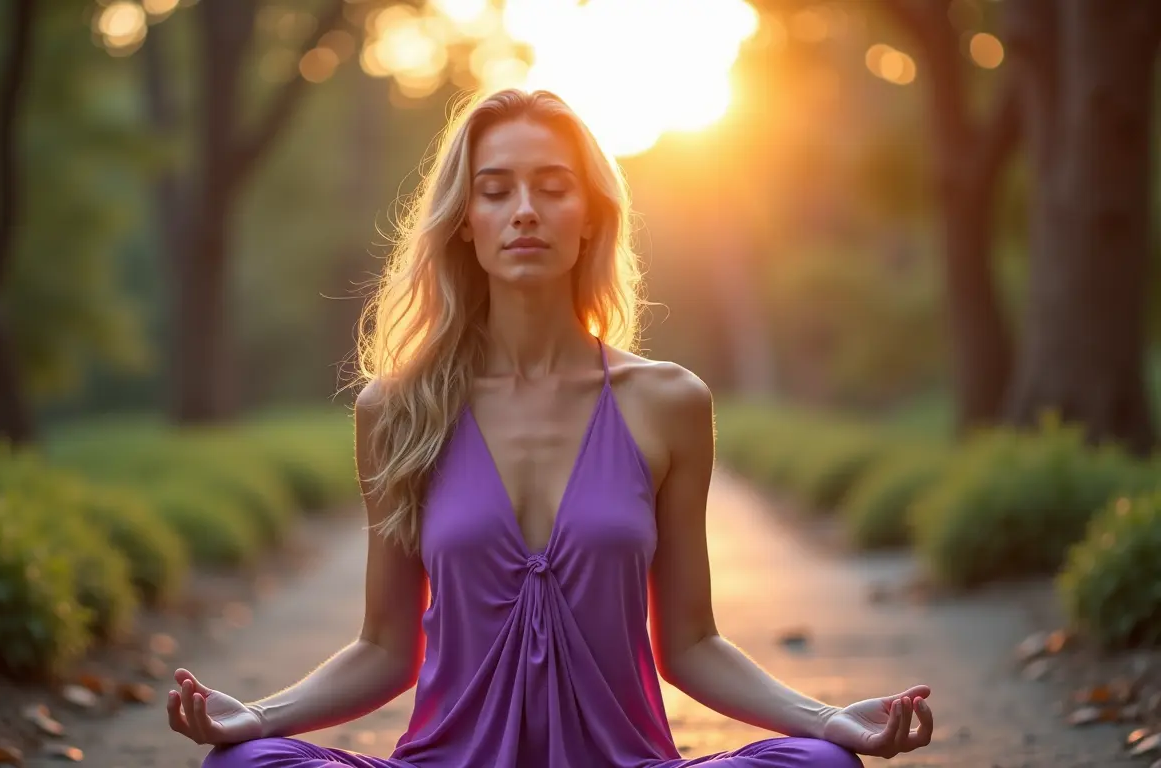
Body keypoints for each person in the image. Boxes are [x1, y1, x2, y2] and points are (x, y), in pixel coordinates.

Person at [164, 88, 934, 768]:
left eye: (553, 188)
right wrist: (255, 716)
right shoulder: (397, 410)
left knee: (822, 764)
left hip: (625, 764)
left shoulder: (667, 401)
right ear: (464, 222)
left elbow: (692, 646)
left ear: (591, 217)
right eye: (496, 190)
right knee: (245, 763)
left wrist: (828, 720)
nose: (525, 210)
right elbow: (385, 649)